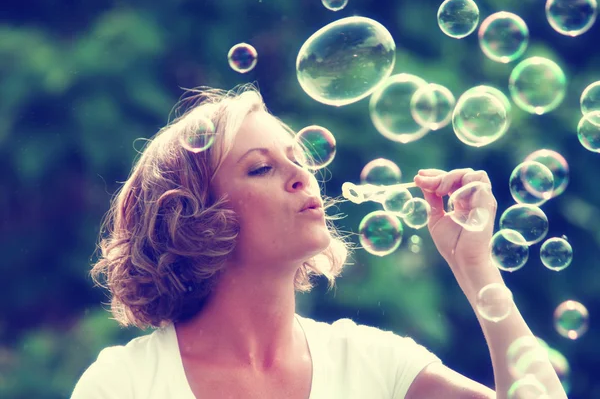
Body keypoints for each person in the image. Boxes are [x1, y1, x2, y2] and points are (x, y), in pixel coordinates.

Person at [71, 84, 566, 399]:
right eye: (261, 167)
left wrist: (475, 264)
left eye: (297, 157)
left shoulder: (375, 364)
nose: (301, 175)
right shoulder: (123, 386)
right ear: (196, 219)